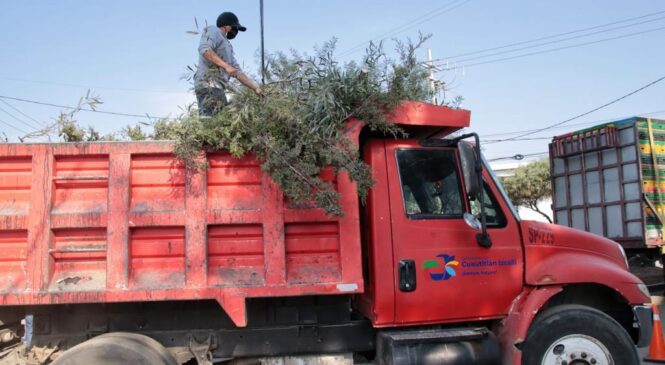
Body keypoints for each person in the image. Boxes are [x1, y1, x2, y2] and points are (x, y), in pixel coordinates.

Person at [195, 11, 262, 117]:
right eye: (234, 27)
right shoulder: (213, 30)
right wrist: (226, 66)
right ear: (226, 25)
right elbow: (205, 50)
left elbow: (237, 71)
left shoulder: (228, 45)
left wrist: (255, 88)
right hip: (208, 85)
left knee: (221, 123)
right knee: (210, 122)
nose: (236, 31)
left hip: (218, 88)